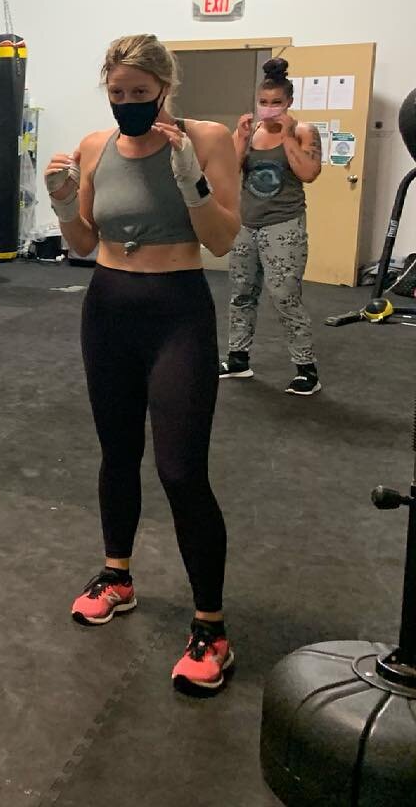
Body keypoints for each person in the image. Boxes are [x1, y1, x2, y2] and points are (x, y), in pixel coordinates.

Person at [45, 34, 241, 692]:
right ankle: (117, 575)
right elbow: (82, 239)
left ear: (164, 87)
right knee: (116, 452)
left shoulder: (206, 138)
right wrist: (58, 199)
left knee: (182, 471)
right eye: (117, 93)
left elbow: (219, 238)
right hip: (107, 308)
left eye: (140, 93)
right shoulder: (98, 146)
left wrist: (191, 178)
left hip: (176, 312)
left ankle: (211, 630)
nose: (128, 104)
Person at [220, 57, 323, 395]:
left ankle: (306, 368)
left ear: (289, 102)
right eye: (263, 102)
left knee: (284, 296)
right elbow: (230, 172)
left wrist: (289, 135)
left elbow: (308, 173)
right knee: (241, 292)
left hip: (284, 224)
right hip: (248, 224)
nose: (269, 109)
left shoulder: (304, 131)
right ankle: (238, 358)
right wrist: (240, 137)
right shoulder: (250, 132)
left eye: (276, 103)